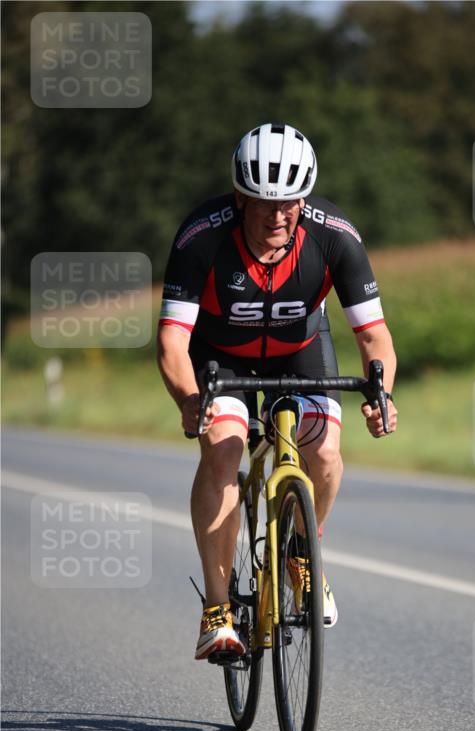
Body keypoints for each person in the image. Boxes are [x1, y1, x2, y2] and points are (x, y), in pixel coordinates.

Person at [157, 123, 398, 660]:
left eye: (290, 203)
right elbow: (173, 341)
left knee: (325, 453)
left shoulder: (335, 235)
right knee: (223, 448)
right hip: (221, 357)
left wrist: (381, 393)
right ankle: (217, 611)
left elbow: (374, 336)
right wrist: (189, 398)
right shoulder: (202, 236)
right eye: (264, 203)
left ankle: (299, 550)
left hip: (301, 352)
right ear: (240, 198)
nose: (277, 216)